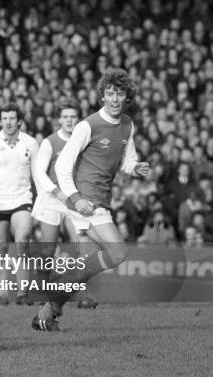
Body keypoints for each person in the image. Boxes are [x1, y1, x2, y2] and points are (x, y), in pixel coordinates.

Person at [33, 68, 150, 331]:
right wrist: (75, 198)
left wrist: (135, 168)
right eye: (110, 94)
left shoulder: (128, 125)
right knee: (118, 252)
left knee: (89, 262)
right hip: (86, 201)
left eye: (119, 94)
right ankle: (58, 288)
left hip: (101, 200)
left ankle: (49, 310)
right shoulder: (88, 125)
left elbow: (126, 160)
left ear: (126, 96)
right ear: (102, 96)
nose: (115, 99)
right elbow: (63, 165)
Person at [31, 97, 99, 310]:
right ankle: (42, 293)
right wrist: (57, 192)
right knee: (48, 250)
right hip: (52, 200)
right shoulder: (50, 142)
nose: (69, 121)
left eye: (73, 117)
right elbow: (39, 173)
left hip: (74, 200)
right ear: (59, 119)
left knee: (83, 248)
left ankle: (85, 295)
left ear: (78, 119)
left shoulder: (84, 141)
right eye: (65, 117)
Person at [0, 102, 39, 305]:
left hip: (22, 199)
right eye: (4, 118)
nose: (8, 122)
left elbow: (37, 175)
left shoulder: (31, 143)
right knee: (1, 250)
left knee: (22, 242)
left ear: (19, 120)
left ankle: (23, 293)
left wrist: (42, 201)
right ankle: (2, 295)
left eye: (12, 118)